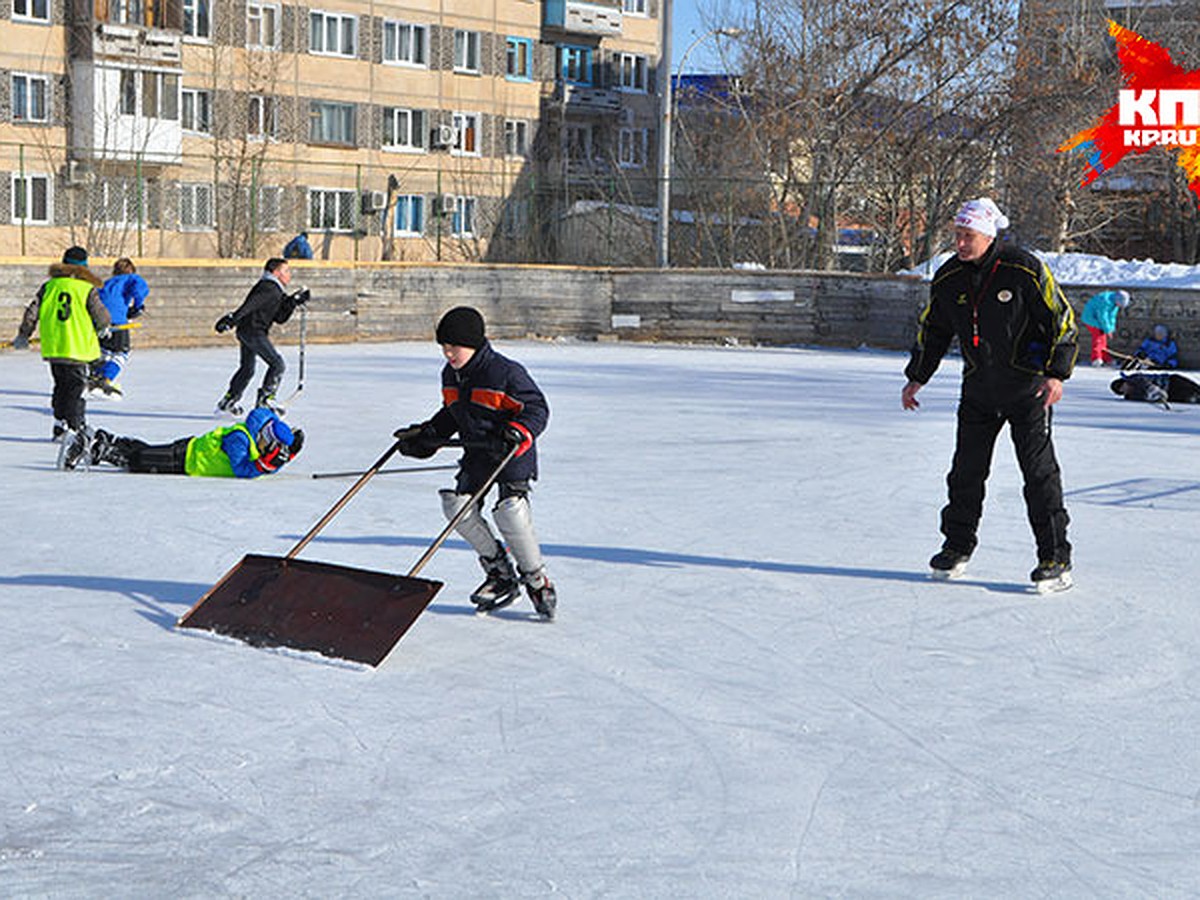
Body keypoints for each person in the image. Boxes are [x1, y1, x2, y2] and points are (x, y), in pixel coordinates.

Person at [901, 198, 1079, 593]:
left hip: (1028, 390)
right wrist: (917, 377)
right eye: (957, 236)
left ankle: (1055, 557)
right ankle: (956, 547)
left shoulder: (1023, 268)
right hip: (979, 389)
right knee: (966, 472)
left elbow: (1061, 320)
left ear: (988, 234)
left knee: (1038, 474)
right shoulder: (948, 278)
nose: (960, 244)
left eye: (968, 236)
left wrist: (1055, 373)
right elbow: (933, 330)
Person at [395, 306, 556, 620]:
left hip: (511, 453)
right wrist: (426, 436)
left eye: (453, 346)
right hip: (477, 453)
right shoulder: (451, 375)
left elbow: (537, 409)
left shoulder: (505, 373)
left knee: (510, 513)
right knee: (457, 508)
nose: (448, 353)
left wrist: (515, 432)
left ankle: (537, 581)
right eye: (443, 347)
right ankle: (500, 573)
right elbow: (451, 415)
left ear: (472, 343)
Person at [11, 246, 111, 443]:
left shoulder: (49, 287)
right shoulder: (85, 288)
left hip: (55, 347)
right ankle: (76, 427)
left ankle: (59, 424)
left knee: (61, 386)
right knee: (76, 389)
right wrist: (104, 327)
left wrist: (23, 335)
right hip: (78, 348)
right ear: (84, 267)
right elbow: (101, 315)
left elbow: (32, 312)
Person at [67, 406, 304, 475]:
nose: (268, 451)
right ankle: (100, 449)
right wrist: (267, 464)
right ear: (264, 436)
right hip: (185, 459)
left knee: (147, 450)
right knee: (142, 460)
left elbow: (263, 465)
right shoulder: (240, 439)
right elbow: (242, 470)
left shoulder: (256, 442)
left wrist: (286, 456)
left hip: (189, 453)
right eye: (271, 447)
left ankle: (109, 439)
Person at [214, 258, 308, 415]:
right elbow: (251, 305)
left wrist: (293, 302)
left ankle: (228, 401)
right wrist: (232, 319)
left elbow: (279, 317)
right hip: (253, 332)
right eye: (286, 271)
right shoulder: (268, 288)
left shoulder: (274, 289)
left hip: (248, 331)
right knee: (277, 364)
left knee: (247, 369)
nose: (289, 275)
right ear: (276, 272)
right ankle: (265, 400)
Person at [89, 257, 150, 398]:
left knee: (104, 353)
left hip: (99, 322)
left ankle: (95, 378)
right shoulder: (131, 278)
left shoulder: (106, 284)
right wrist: (138, 306)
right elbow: (139, 288)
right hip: (117, 323)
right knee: (120, 354)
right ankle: (105, 380)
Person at [1080, 288, 1131, 366]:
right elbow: (1103, 317)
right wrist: (1107, 330)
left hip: (1099, 320)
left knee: (1103, 340)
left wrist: (1111, 328)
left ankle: (1105, 358)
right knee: (1098, 338)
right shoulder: (1105, 301)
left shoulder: (1114, 303)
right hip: (1091, 318)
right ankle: (1096, 358)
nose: (1119, 306)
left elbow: (1112, 317)